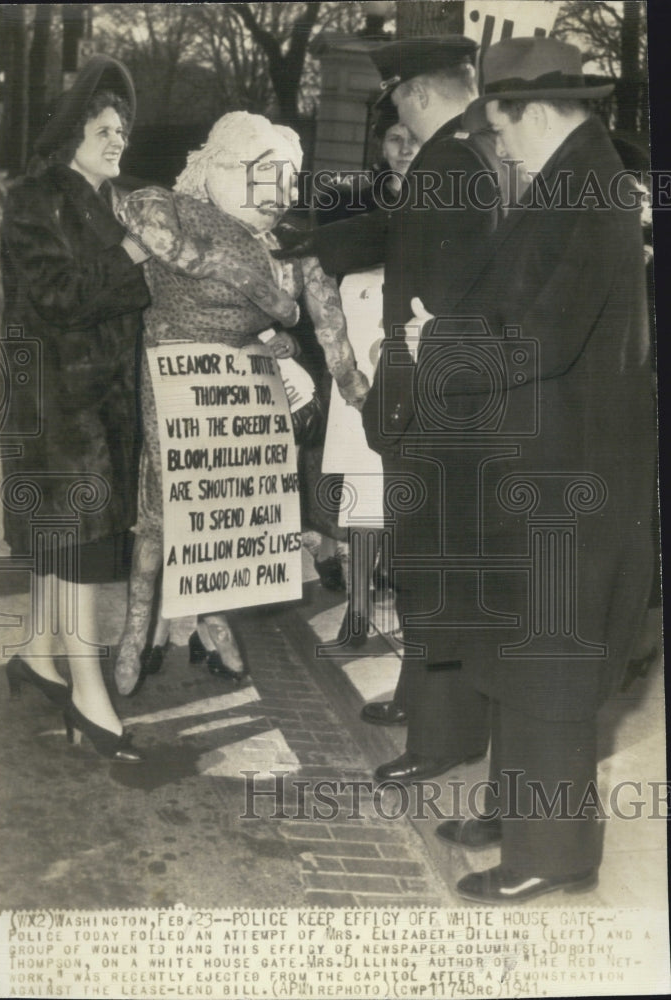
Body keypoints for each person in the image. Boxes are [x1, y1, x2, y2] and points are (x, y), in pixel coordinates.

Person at [420, 36, 655, 903]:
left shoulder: (591, 193)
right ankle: (515, 809)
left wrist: (440, 347)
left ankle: (551, 855)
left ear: (543, 111)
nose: (495, 137)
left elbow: (546, 335)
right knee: (519, 645)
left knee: (550, 662)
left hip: (574, 474)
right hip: (545, 458)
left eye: (500, 120)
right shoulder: (569, 179)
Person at [277, 36, 503, 781]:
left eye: (400, 97)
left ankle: (443, 740)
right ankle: (427, 703)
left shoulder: (447, 161)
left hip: (434, 399)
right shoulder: (483, 153)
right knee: (442, 568)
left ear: (419, 94)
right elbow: (397, 231)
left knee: (431, 571)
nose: (398, 110)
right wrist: (314, 238)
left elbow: (425, 274)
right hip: (472, 396)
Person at [113, 111, 369, 696]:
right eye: (265, 176)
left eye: (288, 181)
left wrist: (355, 387)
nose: (279, 196)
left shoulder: (291, 247)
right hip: (174, 376)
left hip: (243, 394)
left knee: (227, 517)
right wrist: (270, 299)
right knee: (160, 506)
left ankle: (212, 617)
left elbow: (329, 323)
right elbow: (160, 237)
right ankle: (135, 629)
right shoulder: (171, 206)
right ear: (222, 167)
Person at [0, 56, 152, 762]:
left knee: (61, 539)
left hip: (92, 405)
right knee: (81, 546)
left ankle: (36, 651)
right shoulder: (37, 199)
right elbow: (59, 295)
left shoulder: (101, 199)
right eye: (104, 127)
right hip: (59, 406)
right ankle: (91, 697)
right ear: (71, 132)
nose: (118, 138)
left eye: (123, 128)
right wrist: (128, 253)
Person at [321, 100, 421, 650]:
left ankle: (409, 608)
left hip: (414, 355)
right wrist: (348, 364)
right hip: (358, 357)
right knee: (361, 491)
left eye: (412, 136)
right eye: (392, 139)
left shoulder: (449, 198)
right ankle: (357, 609)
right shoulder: (352, 202)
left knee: (409, 493)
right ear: (378, 146)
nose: (404, 149)